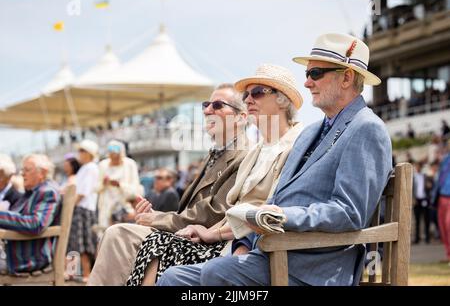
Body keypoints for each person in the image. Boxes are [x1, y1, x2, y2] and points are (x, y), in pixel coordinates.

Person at [157, 33, 393, 286]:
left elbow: (349, 212)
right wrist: (245, 241)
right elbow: (276, 199)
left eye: (315, 74)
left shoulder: (367, 128)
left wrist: (282, 216)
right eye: (307, 74)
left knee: (216, 273)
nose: (307, 83)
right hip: (272, 253)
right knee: (174, 278)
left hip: (314, 267)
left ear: (346, 77)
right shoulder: (311, 131)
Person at [127, 64, 304, 285]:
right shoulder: (256, 152)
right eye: (246, 94)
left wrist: (215, 235)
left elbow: (270, 208)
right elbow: (234, 208)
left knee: (154, 244)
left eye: (257, 92)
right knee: (141, 242)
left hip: (258, 246)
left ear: (283, 100)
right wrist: (207, 232)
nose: (248, 99)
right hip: (230, 239)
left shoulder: (297, 145)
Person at [87, 83, 249, 285]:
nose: (207, 110)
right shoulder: (217, 153)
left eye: (217, 105)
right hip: (190, 233)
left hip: (212, 242)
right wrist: (154, 215)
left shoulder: (243, 155)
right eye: (206, 104)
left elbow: (214, 212)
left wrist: (158, 219)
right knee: (114, 235)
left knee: (117, 235)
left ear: (241, 118)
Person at [0, 154, 60, 274]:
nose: (22, 173)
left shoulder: (47, 191)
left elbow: (36, 224)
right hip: (16, 255)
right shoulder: (31, 193)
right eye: (22, 169)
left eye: (27, 170)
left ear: (42, 173)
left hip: (26, 259)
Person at [67, 139, 99, 282]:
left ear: (89, 153)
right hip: (80, 208)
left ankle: (87, 275)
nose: (79, 153)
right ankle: (73, 272)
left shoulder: (91, 167)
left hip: (84, 210)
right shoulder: (85, 168)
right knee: (74, 242)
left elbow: (82, 192)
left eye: (82, 150)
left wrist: (69, 207)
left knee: (84, 244)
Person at [96, 140, 142, 231]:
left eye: (116, 154)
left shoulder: (130, 164)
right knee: (106, 236)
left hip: (126, 209)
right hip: (106, 210)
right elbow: (95, 188)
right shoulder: (103, 165)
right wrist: (104, 183)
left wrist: (119, 185)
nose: (113, 156)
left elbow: (135, 190)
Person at [433, 142, 450, 264]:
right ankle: (448, 254)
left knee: (449, 226)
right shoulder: (445, 160)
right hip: (441, 197)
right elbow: (439, 178)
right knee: (443, 227)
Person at [413, 161, 431, 244]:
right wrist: (413, 199)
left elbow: (430, 186)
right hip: (417, 200)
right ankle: (417, 238)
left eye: (419, 166)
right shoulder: (413, 177)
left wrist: (429, 186)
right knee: (417, 220)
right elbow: (411, 189)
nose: (418, 168)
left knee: (426, 219)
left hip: (425, 199)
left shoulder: (425, 176)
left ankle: (427, 238)